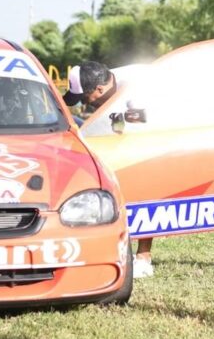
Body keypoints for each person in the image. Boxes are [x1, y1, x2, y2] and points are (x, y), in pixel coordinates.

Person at [64, 61, 154, 279]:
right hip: (130, 130)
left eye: (85, 99)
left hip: (156, 135)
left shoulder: (135, 89)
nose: (84, 104)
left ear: (99, 89)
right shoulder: (106, 85)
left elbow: (144, 125)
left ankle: (144, 257)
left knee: (144, 187)